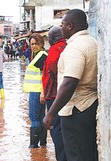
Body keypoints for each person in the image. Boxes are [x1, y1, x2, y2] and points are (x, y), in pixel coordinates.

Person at [43, 9, 98, 161]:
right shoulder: (92, 42)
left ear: (70, 26)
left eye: (63, 24)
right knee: (88, 154)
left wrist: (50, 113)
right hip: (89, 106)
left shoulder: (74, 48)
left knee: (76, 155)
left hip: (75, 110)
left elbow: (69, 83)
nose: (61, 28)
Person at [42, 26, 67, 161]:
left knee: (55, 129)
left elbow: (52, 64)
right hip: (64, 95)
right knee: (64, 129)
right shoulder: (67, 46)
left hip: (54, 96)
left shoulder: (55, 49)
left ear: (52, 38)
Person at [22, 33, 47, 148]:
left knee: (34, 118)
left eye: (36, 43)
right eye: (32, 44)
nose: (34, 46)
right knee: (41, 118)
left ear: (41, 43)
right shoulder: (38, 55)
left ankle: (33, 146)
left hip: (37, 92)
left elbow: (44, 76)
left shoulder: (41, 56)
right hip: (37, 91)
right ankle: (43, 145)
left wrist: (42, 92)